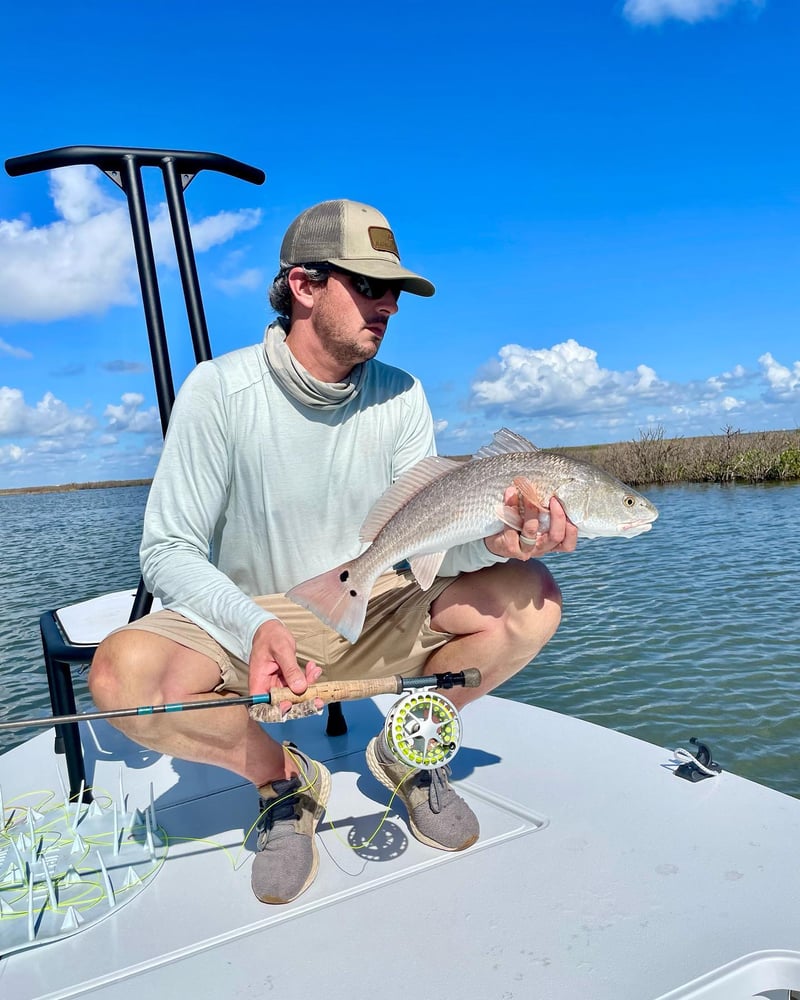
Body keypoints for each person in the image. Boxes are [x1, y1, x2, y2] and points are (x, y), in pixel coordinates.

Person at [88, 199, 577, 905]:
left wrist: (495, 541)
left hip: (372, 599)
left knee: (533, 596)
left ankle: (408, 751)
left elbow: (422, 545)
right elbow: (166, 550)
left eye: (397, 293)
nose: (390, 307)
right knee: (120, 678)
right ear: (303, 285)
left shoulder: (402, 395)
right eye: (370, 286)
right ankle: (283, 783)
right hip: (251, 621)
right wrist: (253, 625)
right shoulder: (218, 391)